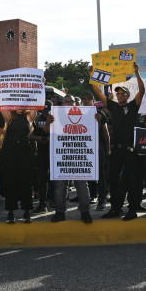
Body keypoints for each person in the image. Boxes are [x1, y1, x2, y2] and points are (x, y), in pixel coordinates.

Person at [91, 62, 146, 221]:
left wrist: (137, 72)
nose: (120, 95)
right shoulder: (113, 106)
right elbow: (97, 92)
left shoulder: (133, 106)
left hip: (130, 150)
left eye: (123, 93)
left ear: (128, 95)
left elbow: (142, 90)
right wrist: (92, 76)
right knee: (113, 181)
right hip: (115, 150)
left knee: (131, 181)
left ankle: (133, 209)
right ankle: (115, 208)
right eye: (118, 93)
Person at [50, 94, 93, 224]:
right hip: (62, 155)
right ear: (62, 104)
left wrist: (97, 118)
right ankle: (60, 212)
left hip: (79, 155)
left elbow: (95, 127)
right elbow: (47, 130)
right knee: (60, 185)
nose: (68, 103)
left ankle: (85, 212)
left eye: (71, 101)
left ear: (76, 104)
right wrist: (48, 122)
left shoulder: (85, 115)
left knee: (82, 184)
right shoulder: (55, 115)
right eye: (66, 101)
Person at [0, 109, 37, 223]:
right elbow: (3, 104)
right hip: (10, 151)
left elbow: (36, 103)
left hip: (25, 151)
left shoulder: (29, 116)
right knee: (10, 181)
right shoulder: (10, 116)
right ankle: (10, 212)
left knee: (26, 181)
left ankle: (27, 212)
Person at [83, 92, 110, 210]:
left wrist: (108, 149)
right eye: (85, 99)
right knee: (89, 174)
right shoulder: (78, 113)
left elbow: (105, 133)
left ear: (93, 101)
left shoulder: (99, 114)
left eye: (89, 99)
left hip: (98, 147)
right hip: (84, 148)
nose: (87, 101)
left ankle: (102, 199)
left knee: (101, 174)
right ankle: (93, 196)